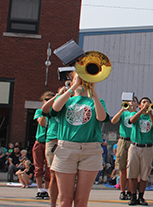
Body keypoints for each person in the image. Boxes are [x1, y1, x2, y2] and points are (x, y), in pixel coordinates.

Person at [51, 72, 110, 207]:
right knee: (65, 199)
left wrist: (93, 92)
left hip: (90, 150)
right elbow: (55, 108)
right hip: (66, 149)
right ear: (71, 82)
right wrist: (73, 88)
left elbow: (101, 117)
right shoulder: (66, 100)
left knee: (81, 200)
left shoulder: (97, 101)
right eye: (79, 77)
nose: (83, 81)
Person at [127, 97, 153, 206]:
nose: (146, 104)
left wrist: (150, 113)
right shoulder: (134, 114)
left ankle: (141, 196)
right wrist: (141, 111)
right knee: (132, 171)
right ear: (140, 105)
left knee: (144, 173)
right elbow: (132, 121)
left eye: (148, 103)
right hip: (135, 146)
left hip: (147, 147)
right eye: (143, 103)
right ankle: (132, 196)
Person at [111, 96, 138, 200]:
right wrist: (123, 109)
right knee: (122, 168)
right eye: (129, 101)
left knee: (132, 168)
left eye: (133, 101)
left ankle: (130, 190)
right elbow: (113, 121)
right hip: (123, 140)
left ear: (137, 104)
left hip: (133, 140)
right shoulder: (124, 113)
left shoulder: (137, 114)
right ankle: (122, 191)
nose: (131, 103)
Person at [42, 86, 65, 207]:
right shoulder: (53, 106)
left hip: (65, 140)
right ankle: (52, 204)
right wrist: (57, 96)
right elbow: (44, 110)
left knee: (66, 175)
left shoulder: (68, 102)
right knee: (53, 174)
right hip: (52, 139)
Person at [33, 91, 56, 199]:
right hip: (40, 141)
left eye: (51, 99)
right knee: (38, 167)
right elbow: (41, 123)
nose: (49, 101)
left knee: (49, 167)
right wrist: (44, 110)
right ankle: (39, 189)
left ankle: (46, 189)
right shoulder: (39, 111)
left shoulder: (55, 112)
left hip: (50, 142)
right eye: (46, 99)